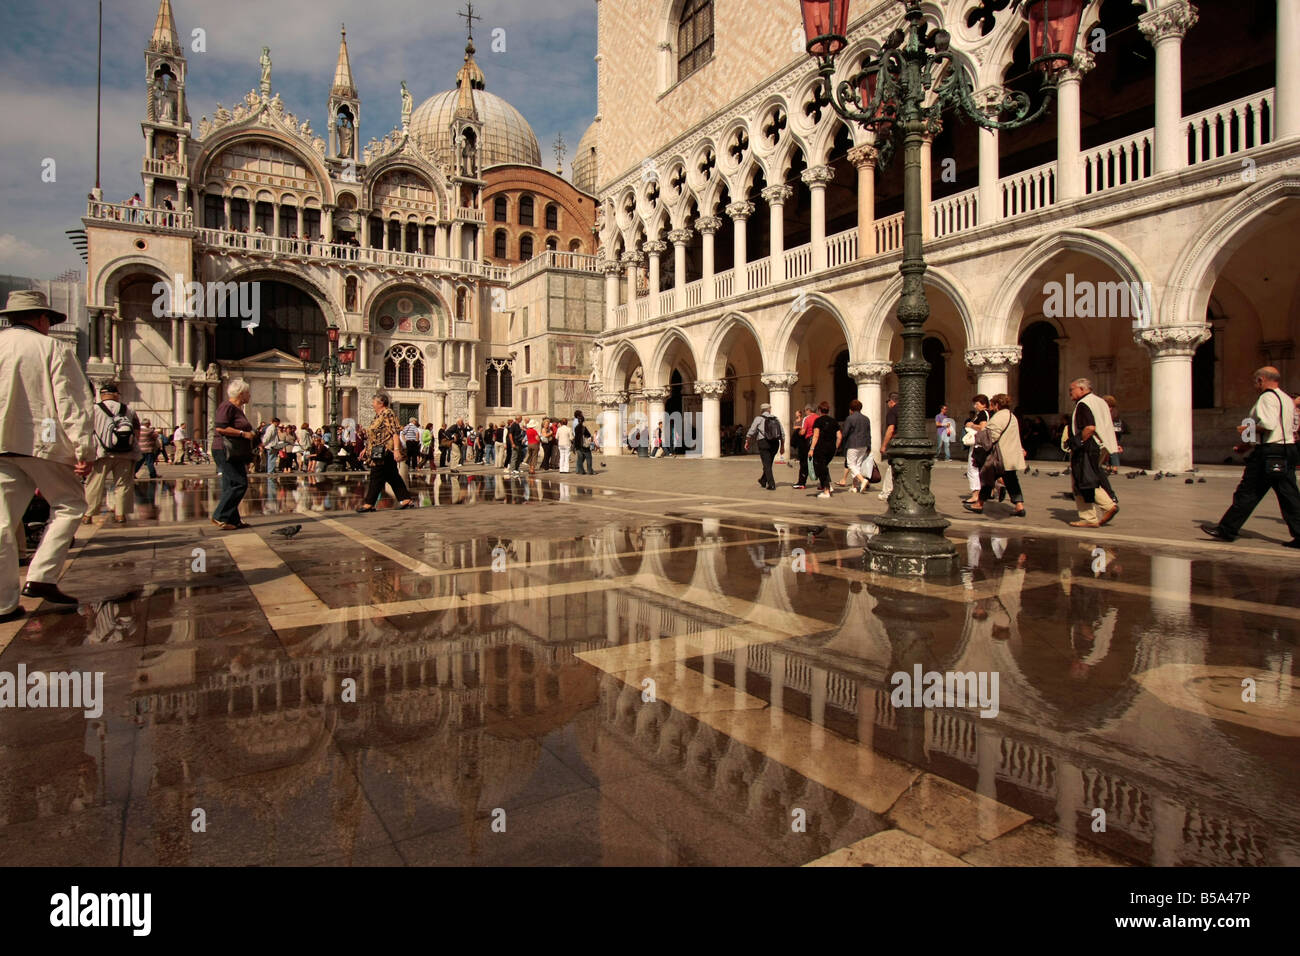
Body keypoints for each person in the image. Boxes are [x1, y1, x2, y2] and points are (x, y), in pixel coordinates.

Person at [0, 289, 95, 618]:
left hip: (1, 447)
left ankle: (3, 603)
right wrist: (84, 448)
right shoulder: (53, 348)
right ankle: (41, 577)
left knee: (1, 524)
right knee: (70, 504)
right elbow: (71, 403)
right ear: (41, 319)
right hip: (43, 444)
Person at [1202, 366, 1300, 547]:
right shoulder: (1287, 399)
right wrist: (1247, 445)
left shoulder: (1267, 398)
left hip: (1269, 453)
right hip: (1287, 451)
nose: (1255, 386)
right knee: (1288, 494)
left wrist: (1247, 429)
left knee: (1248, 491)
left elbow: (1268, 424)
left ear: (1261, 380)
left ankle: (1227, 529)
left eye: (1255, 382)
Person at [84, 382, 139, 524]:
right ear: (116, 395)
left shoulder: (93, 409)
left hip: (101, 453)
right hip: (125, 454)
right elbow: (137, 431)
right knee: (123, 484)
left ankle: (88, 515)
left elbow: (86, 431)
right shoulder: (129, 409)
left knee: (94, 484)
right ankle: (120, 514)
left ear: (102, 395)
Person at [1067, 378, 1119, 528]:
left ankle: (1105, 507)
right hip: (1101, 445)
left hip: (1088, 446)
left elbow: (1089, 427)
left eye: (1072, 390)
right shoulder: (1100, 401)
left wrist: (1078, 442)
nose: (1070, 393)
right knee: (1088, 477)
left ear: (1082, 389)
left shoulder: (1083, 404)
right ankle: (1089, 517)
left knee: (1083, 479)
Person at [964, 394, 1027, 517]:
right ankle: (1019, 506)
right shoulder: (1012, 416)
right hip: (1010, 455)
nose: (991, 407)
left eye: (992, 404)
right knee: (1012, 480)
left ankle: (979, 504)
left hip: (999, 456)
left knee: (988, 478)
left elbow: (991, 436)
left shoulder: (999, 417)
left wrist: (977, 437)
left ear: (997, 405)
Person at [211, 378, 257, 530]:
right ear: (241, 394)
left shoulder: (236, 409)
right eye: (248, 393)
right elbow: (220, 428)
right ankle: (220, 515)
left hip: (234, 451)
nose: (249, 396)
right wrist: (243, 434)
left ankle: (232, 520)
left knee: (230, 484)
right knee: (239, 483)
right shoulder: (227, 406)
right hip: (225, 449)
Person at [356, 392, 414, 512]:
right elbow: (374, 436)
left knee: (376, 475)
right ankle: (406, 499)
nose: (372, 405)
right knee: (392, 476)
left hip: (385, 451)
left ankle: (369, 503)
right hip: (377, 450)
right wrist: (365, 449)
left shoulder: (388, 413)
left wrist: (396, 450)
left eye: (374, 402)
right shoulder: (378, 415)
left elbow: (394, 432)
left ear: (380, 403)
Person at [744, 402, 783, 490]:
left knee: (767, 464)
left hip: (763, 442)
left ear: (761, 410)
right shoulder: (776, 419)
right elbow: (782, 433)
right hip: (775, 443)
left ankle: (771, 484)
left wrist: (747, 441)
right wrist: (782, 446)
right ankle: (763, 480)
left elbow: (751, 430)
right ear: (769, 410)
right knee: (768, 464)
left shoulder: (758, 418)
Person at [807, 401, 842, 498]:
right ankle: (827, 487)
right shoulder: (834, 421)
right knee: (824, 467)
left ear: (819, 410)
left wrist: (811, 449)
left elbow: (816, 435)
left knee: (821, 468)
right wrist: (836, 447)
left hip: (820, 448)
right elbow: (839, 436)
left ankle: (826, 490)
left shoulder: (818, 421)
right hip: (831, 448)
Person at [837, 399, 872, 493]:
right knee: (858, 465)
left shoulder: (850, 418)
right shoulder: (866, 419)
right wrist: (869, 446)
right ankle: (854, 486)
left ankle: (862, 480)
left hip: (853, 444)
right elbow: (869, 433)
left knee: (851, 464)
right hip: (864, 444)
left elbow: (845, 433)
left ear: (851, 409)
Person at [962, 395, 990, 505]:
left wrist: (971, 425)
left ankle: (975, 494)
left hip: (978, 444)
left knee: (972, 468)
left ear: (983, 404)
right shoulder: (988, 413)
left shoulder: (983, 413)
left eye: (977, 404)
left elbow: (983, 427)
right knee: (982, 469)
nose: (975, 406)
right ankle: (996, 487)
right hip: (982, 444)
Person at [878, 393, 899, 502]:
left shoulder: (892, 412)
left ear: (891, 401)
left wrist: (884, 445)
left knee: (892, 467)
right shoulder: (905, 410)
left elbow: (890, 429)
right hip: (905, 443)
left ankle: (887, 492)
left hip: (896, 443)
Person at [791, 406, 814, 490]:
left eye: (805, 411)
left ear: (808, 410)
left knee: (804, 464)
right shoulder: (818, 418)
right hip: (818, 443)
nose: (805, 412)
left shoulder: (806, 419)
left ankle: (801, 483)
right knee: (820, 464)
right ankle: (825, 484)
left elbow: (803, 431)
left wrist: (798, 433)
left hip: (807, 443)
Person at [1103, 395, 1125, 474]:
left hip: (1113, 433)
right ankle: (1108, 466)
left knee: (1113, 450)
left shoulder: (1111, 412)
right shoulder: (1115, 412)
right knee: (1109, 450)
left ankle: (1114, 467)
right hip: (1115, 432)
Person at [573, 411, 594, 475]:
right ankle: (589, 471)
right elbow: (588, 435)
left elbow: (576, 436)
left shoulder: (576, 427)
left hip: (578, 445)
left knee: (580, 459)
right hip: (584, 445)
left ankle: (581, 471)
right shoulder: (583, 428)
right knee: (589, 457)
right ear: (583, 421)